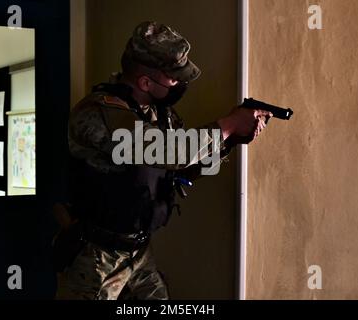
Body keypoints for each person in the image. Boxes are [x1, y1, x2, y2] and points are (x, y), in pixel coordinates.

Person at [54, 21, 271, 300]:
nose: (180, 84)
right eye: (173, 78)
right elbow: (169, 152)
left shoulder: (159, 114)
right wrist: (228, 125)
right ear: (145, 82)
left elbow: (185, 167)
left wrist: (231, 139)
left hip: (139, 252)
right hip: (96, 258)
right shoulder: (99, 113)